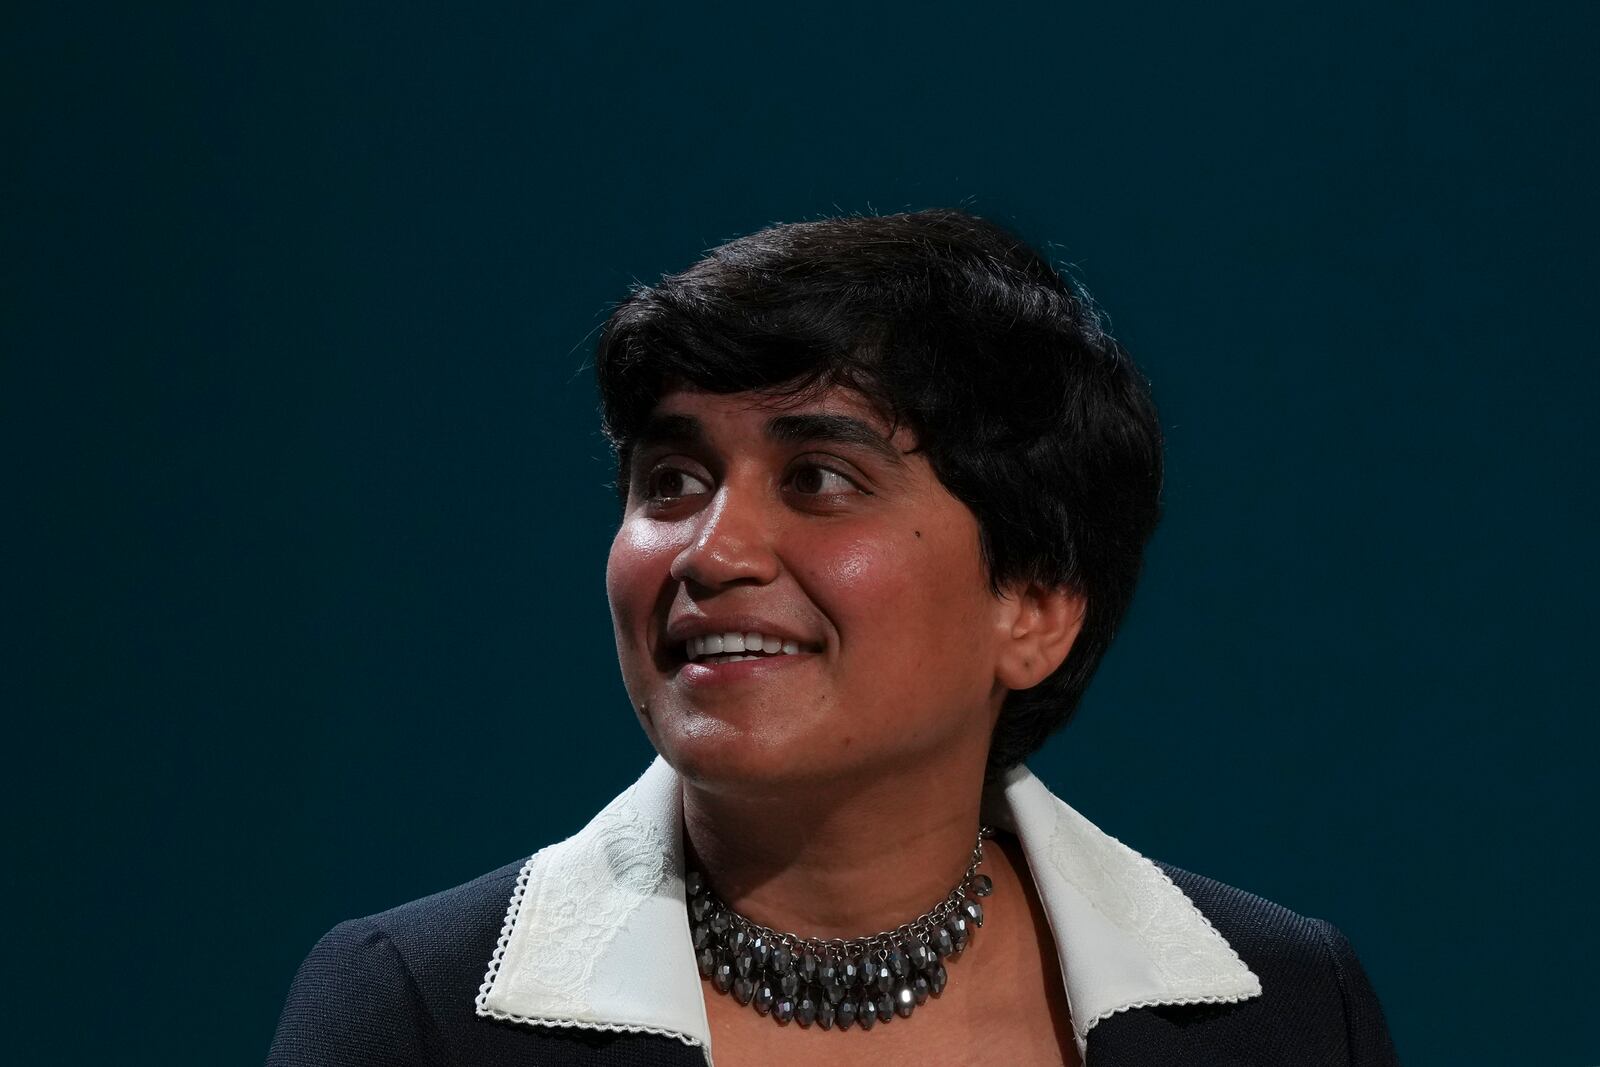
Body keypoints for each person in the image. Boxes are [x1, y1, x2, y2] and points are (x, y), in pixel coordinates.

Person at [267, 210, 1399, 1066]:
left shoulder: (1287, 1010)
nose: (712, 552)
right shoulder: (413, 1013)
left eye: (817, 477)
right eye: (671, 480)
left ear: (1035, 604)